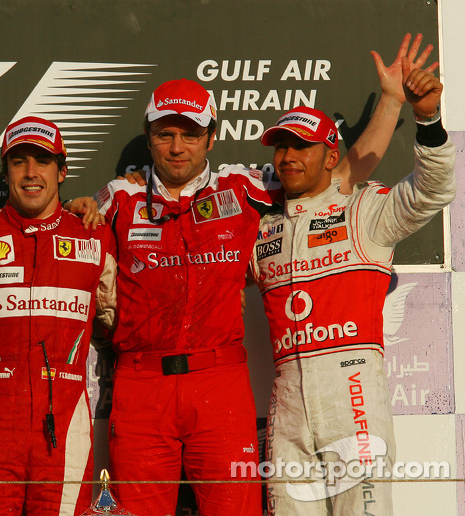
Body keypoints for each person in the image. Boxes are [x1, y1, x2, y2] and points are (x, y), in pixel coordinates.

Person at [91, 33, 435, 516]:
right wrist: (79, 204)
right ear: (148, 137)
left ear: (212, 137)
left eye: (189, 134)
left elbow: (339, 175)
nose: (176, 147)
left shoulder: (247, 186)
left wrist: (392, 101)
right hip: (140, 383)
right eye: (164, 134)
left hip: (219, 384)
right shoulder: (114, 199)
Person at [251, 65, 454, 514]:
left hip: (355, 398)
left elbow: (431, 192)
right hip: (287, 409)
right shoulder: (260, 231)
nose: (288, 157)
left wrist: (428, 120)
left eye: (302, 146)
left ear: (329, 157)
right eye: (281, 147)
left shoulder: (362, 210)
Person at [0, 116, 117, 516]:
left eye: (42, 160)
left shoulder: (94, 237)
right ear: (6, 173)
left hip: (64, 426)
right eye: (19, 161)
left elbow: (122, 317)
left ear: (63, 170)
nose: (31, 172)